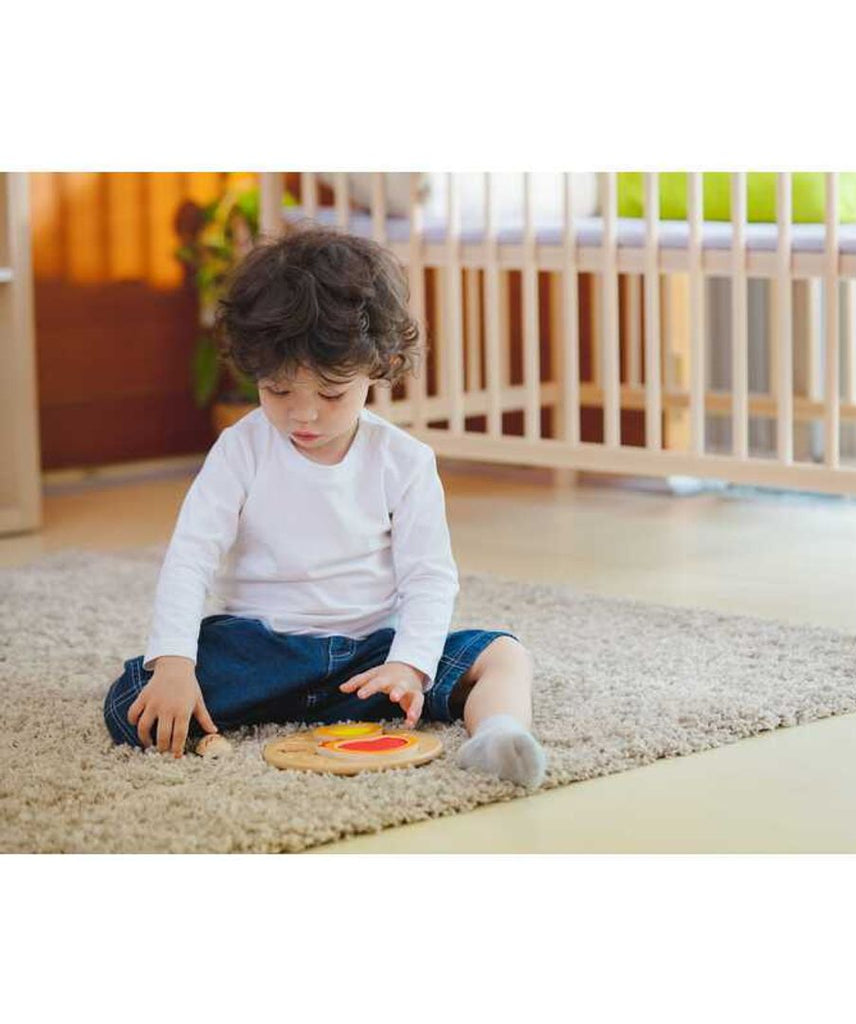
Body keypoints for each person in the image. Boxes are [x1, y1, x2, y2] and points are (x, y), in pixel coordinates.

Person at [102, 226, 546, 789]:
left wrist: (409, 665)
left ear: (378, 366)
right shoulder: (241, 449)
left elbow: (429, 579)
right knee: (130, 702)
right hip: (264, 651)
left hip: (370, 660)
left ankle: (498, 735)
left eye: (331, 394)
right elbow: (190, 560)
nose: (303, 416)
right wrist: (173, 666)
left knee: (504, 656)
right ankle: (271, 699)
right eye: (278, 392)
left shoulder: (404, 460)